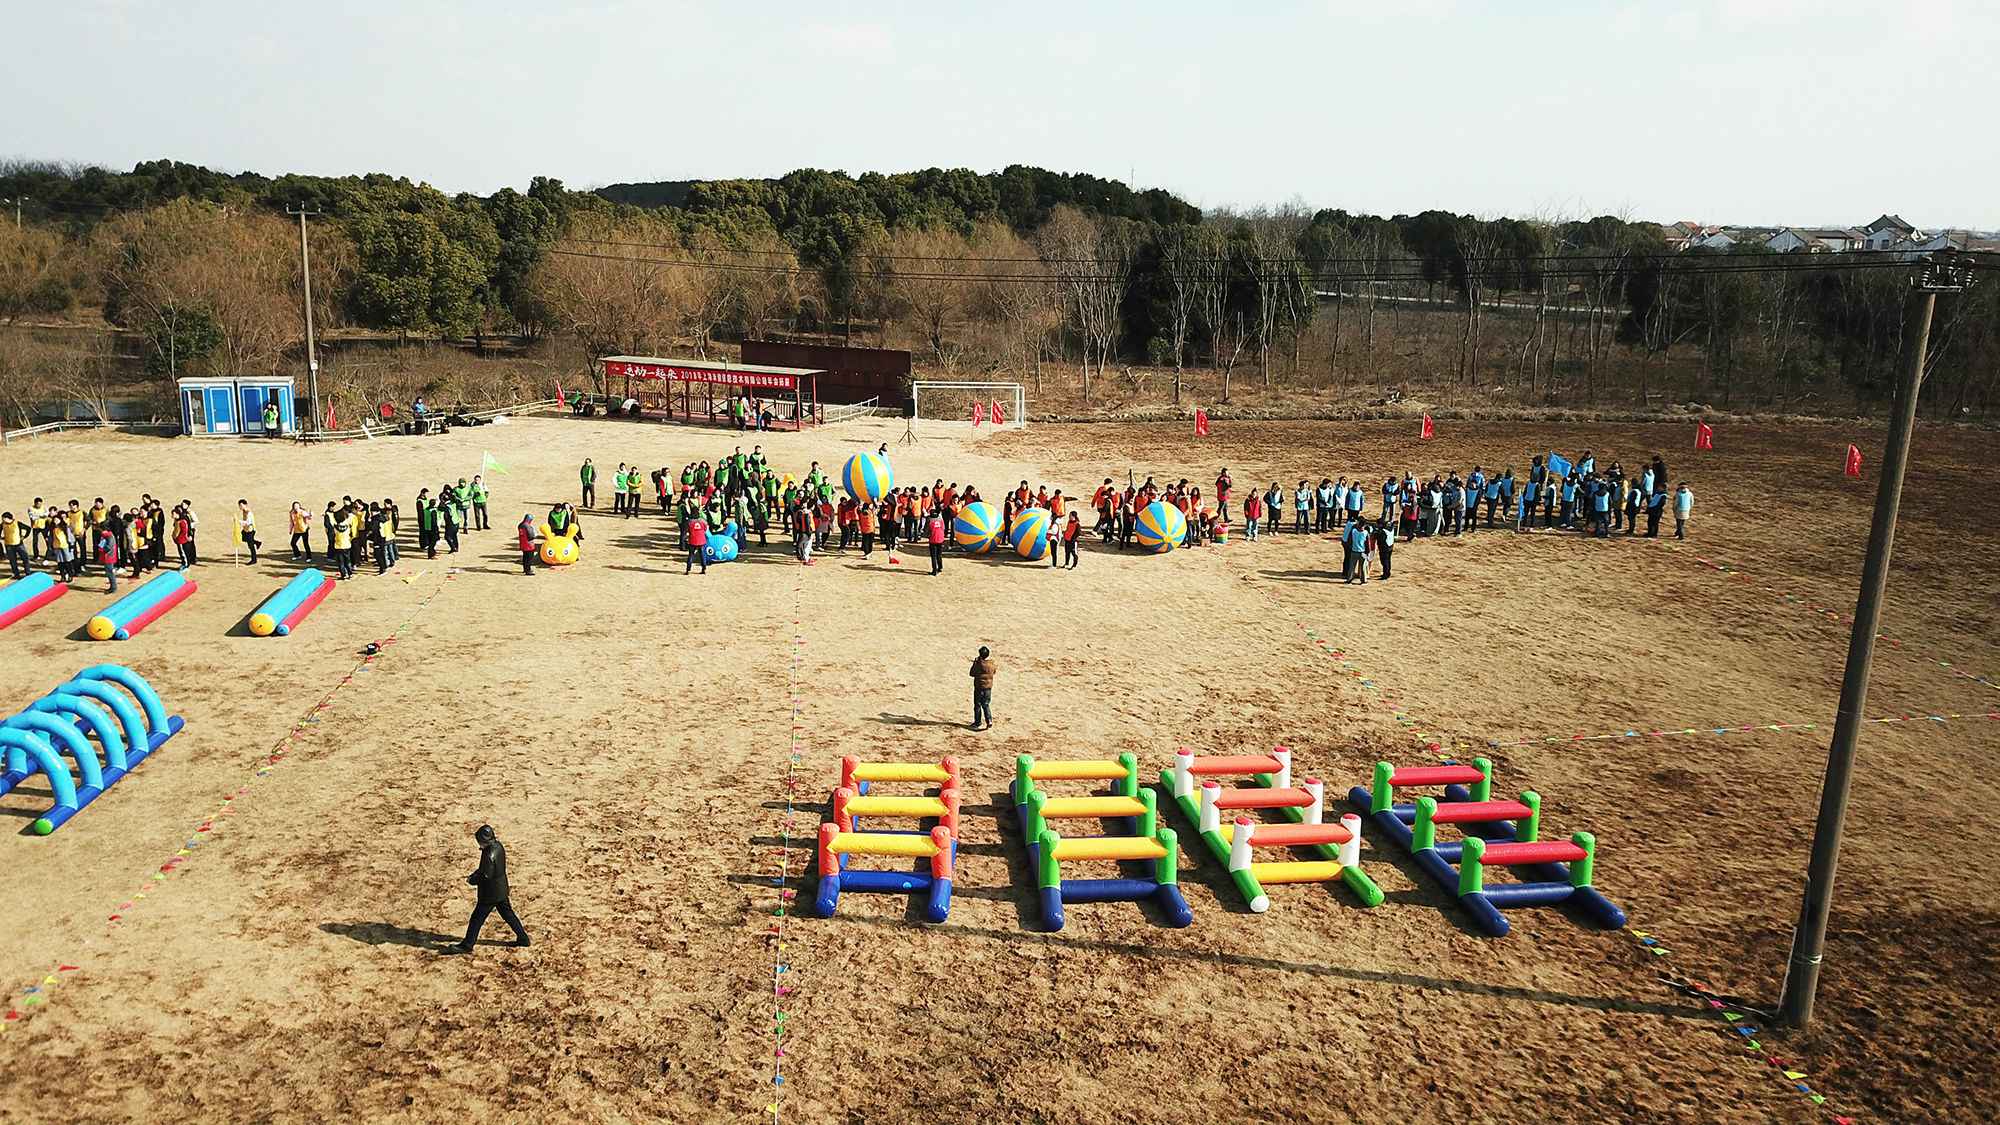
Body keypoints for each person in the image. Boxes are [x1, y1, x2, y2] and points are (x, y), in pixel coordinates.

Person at [443, 825, 529, 955]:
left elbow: (485, 875)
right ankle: (523, 938)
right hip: (501, 889)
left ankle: (467, 945)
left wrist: (472, 880)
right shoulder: (498, 846)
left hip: (490, 894)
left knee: (476, 919)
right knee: (509, 915)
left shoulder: (489, 854)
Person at [969, 646, 996, 731]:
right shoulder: (992, 664)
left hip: (979, 687)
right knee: (986, 704)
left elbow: (971, 673)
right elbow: (994, 671)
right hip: (988, 688)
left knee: (977, 705)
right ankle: (989, 720)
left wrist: (975, 663)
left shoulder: (979, 664)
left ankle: (977, 722)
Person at [926, 509, 947, 576]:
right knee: (939, 554)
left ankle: (934, 571)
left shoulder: (929, 520)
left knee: (934, 556)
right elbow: (943, 528)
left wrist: (928, 535)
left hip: (933, 539)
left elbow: (927, 530)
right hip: (940, 539)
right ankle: (940, 567)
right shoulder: (940, 519)